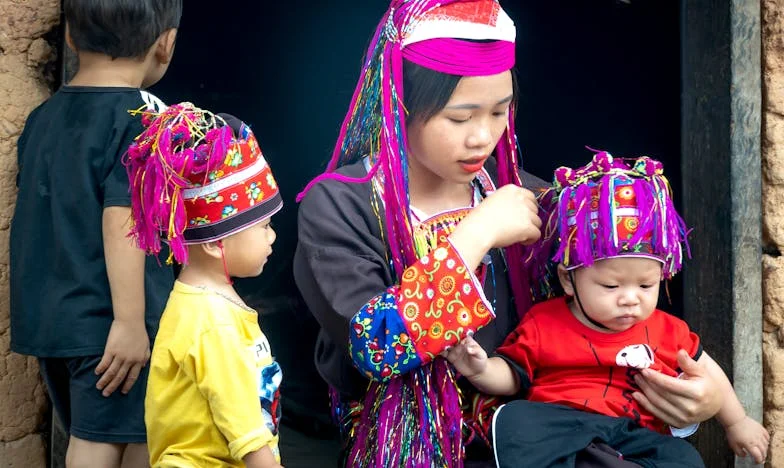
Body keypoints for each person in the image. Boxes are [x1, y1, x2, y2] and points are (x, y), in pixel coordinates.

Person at [294, 0, 723, 465]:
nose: (483, 137)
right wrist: (477, 234)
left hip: (542, 442)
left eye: (499, 112)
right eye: (459, 118)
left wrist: (699, 402)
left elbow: (612, 320)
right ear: (398, 104)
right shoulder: (341, 206)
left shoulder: (533, 202)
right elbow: (377, 346)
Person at [445, 151, 770, 467]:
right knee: (516, 420)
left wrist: (737, 421)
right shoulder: (544, 322)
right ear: (569, 281)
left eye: (646, 286)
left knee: (684, 457)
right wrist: (480, 369)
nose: (630, 298)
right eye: (611, 287)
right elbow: (513, 378)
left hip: (631, 436)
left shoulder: (668, 330)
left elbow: (708, 372)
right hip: (563, 430)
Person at [9, 1, 180, 466]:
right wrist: (128, 324)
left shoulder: (41, 120)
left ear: (67, 38)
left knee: (117, 434)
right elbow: (121, 217)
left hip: (54, 318)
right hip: (110, 327)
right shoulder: (142, 121)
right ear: (165, 44)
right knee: (103, 442)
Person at [125, 103, 285, 468]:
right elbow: (246, 432)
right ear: (215, 243)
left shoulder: (196, 304)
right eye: (263, 227)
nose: (273, 237)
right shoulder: (214, 324)